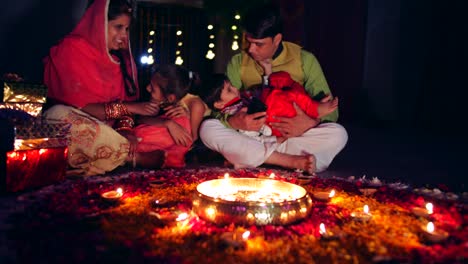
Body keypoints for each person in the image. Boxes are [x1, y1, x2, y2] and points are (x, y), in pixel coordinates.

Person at [199, 3, 348, 173]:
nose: (251, 49)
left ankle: (256, 158)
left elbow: (331, 112)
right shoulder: (238, 62)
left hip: (289, 139)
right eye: (249, 42)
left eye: (259, 44)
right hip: (252, 136)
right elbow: (218, 107)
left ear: (277, 40)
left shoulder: (305, 60)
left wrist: (309, 123)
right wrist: (234, 121)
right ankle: (286, 161)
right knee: (208, 129)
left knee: (338, 134)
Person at [43, 0, 166, 176]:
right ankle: (131, 158)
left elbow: (127, 107)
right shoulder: (70, 49)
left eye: (127, 29)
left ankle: (110, 155)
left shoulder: (119, 61)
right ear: (99, 24)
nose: (124, 36)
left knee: (162, 128)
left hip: (109, 131)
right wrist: (128, 108)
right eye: (118, 27)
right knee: (58, 115)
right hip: (79, 127)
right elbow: (82, 108)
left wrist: (125, 129)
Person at [201, 73, 337, 141]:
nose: (236, 88)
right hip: (273, 124)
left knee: (281, 79)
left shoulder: (302, 57)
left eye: (232, 85)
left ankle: (312, 107)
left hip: (287, 121)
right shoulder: (232, 111)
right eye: (229, 90)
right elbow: (254, 132)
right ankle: (315, 109)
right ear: (218, 104)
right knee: (276, 97)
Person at [133, 64, 198, 168]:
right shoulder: (149, 100)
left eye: (153, 89)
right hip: (136, 139)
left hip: (157, 148)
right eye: (150, 84)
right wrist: (168, 124)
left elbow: (190, 139)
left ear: (170, 98)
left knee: (182, 121)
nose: (147, 88)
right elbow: (139, 119)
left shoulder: (180, 112)